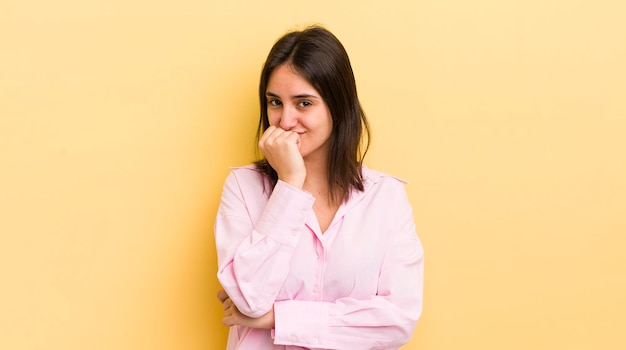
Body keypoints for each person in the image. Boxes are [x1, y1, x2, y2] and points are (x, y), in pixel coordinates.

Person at [214, 25, 424, 350]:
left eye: (303, 103)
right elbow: (247, 300)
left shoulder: (387, 198)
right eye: (274, 102)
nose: (284, 121)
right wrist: (289, 186)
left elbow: (397, 321)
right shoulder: (243, 188)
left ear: (337, 107)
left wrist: (280, 318)